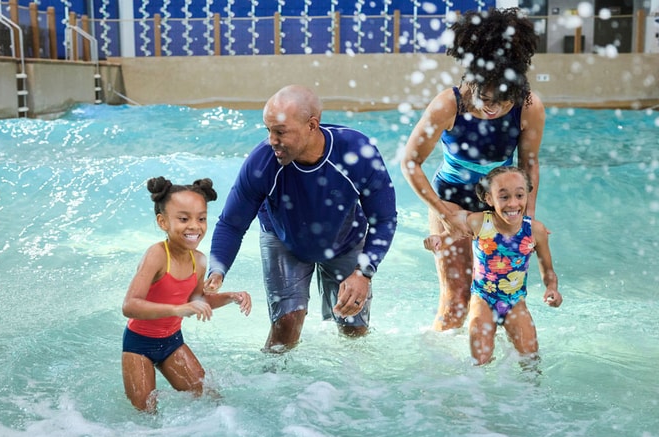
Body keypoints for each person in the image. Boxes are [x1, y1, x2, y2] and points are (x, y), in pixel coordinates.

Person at [204, 85, 397, 352]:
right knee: (285, 328)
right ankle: (272, 385)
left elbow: (384, 219)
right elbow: (231, 223)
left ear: (312, 125)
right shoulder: (262, 163)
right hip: (284, 237)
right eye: (268, 130)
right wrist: (217, 269)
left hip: (345, 238)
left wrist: (363, 273)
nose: (272, 140)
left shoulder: (356, 152)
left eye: (280, 132)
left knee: (353, 327)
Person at [401, 7, 545, 331]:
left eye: (503, 101)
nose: (493, 108)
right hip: (449, 199)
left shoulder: (528, 106)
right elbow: (410, 161)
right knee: (456, 300)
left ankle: (489, 374)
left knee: (500, 297)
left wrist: (526, 220)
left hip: (500, 204)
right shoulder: (448, 104)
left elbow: (529, 165)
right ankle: (441, 376)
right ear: (471, 80)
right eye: (486, 99)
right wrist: (443, 213)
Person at [122, 176, 251, 413]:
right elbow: (130, 306)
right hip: (138, 345)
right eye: (183, 219)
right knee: (146, 415)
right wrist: (176, 309)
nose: (194, 226)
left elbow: (196, 300)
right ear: (162, 222)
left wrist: (231, 297)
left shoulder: (199, 260)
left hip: (172, 343)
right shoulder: (157, 255)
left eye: (201, 218)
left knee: (213, 403)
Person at [426, 167, 562, 365]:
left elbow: (548, 270)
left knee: (530, 358)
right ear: (489, 199)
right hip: (483, 299)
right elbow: (447, 238)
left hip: (515, 301)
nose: (513, 203)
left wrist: (552, 289)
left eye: (519, 195)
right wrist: (435, 241)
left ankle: (530, 395)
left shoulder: (535, 231)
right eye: (504, 197)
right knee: (480, 360)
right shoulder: (480, 223)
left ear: (527, 196)